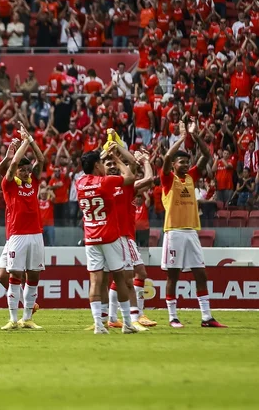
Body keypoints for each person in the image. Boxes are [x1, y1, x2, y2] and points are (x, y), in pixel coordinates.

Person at [161, 121, 226, 328]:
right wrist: (181, 138)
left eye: (186, 163)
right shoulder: (168, 179)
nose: (185, 165)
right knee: (174, 274)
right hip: (174, 232)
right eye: (181, 162)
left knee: (201, 273)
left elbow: (206, 155)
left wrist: (193, 135)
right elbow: (166, 157)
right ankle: (172, 317)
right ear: (174, 165)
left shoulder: (191, 177)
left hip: (191, 232)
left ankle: (206, 317)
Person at [76, 149, 141, 335]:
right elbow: (129, 177)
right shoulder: (105, 182)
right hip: (110, 237)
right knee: (119, 278)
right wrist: (116, 159)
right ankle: (128, 323)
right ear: (98, 165)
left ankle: (99, 325)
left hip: (91, 238)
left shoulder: (79, 183)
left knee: (95, 281)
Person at [101, 132, 156, 330]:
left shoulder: (124, 185)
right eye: (108, 164)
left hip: (124, 236)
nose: (113, 166)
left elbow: (136, 169)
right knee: (134, 275)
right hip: (118, 237)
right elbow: (143, 174)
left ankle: (114, 317)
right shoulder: (103, 186)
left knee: (124, 277)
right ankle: (135, 316)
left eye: (114, 164)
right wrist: (112, 151)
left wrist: (117, 148)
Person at [0, 124, 45, 330]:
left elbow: (41, 160)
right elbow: (14, 161)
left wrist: (31, 141)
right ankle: (13, 319)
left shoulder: (33, 183)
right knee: (15, 276)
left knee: (33, 275)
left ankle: (27, 318)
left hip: (36, 235)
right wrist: (25, 140)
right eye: (22, 170)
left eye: (27, 170)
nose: (25, 172)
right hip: (17, 235)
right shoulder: (9, 185)